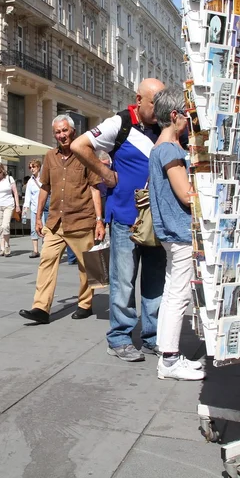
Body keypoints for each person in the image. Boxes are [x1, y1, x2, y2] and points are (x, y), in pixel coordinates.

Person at [71, 78, 167, 362]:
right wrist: (106, 174)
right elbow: (80, 145)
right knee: (124, 281)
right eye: (154, 103)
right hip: (126, 217)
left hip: (157, 218)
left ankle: (153, 336)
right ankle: (120, 337)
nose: (158, 109)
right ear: (139, 99)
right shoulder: (120, 122)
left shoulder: (163, 126)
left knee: (155, 281)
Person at [19, 115, 105, 324]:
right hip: (56, 221)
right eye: (58, 132)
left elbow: (95, 188)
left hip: (81, 219)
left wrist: (100, 220)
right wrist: (38, 217)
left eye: (64, 130)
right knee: (46, 261)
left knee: (88, 265)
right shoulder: (50, 156)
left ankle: (85, 303)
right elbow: (45, 187)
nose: (61, 135)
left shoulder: (86, 153)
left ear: (72, 131)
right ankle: (40, 307)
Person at [149, 89, 205, 380]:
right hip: (180, 231)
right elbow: (186, 194)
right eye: (187, 113)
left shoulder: (159, 148)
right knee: (178, 295)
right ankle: (169, 360)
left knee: (173, 292)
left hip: (171, 232)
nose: (189, 119)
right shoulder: (170, 150)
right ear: (174, 116)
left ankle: (166, 353)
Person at [23, 159, 42, 258]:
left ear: (38, 167)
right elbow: (28, 196)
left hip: (44, 209)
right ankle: (35, 250)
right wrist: (25, 207)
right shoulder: (30, 181)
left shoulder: (44, 179)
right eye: (30, 167)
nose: (31, 169)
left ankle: (46, 249)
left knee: (45, 229)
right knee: (34, 229)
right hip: (34, 209)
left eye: (33, 167)